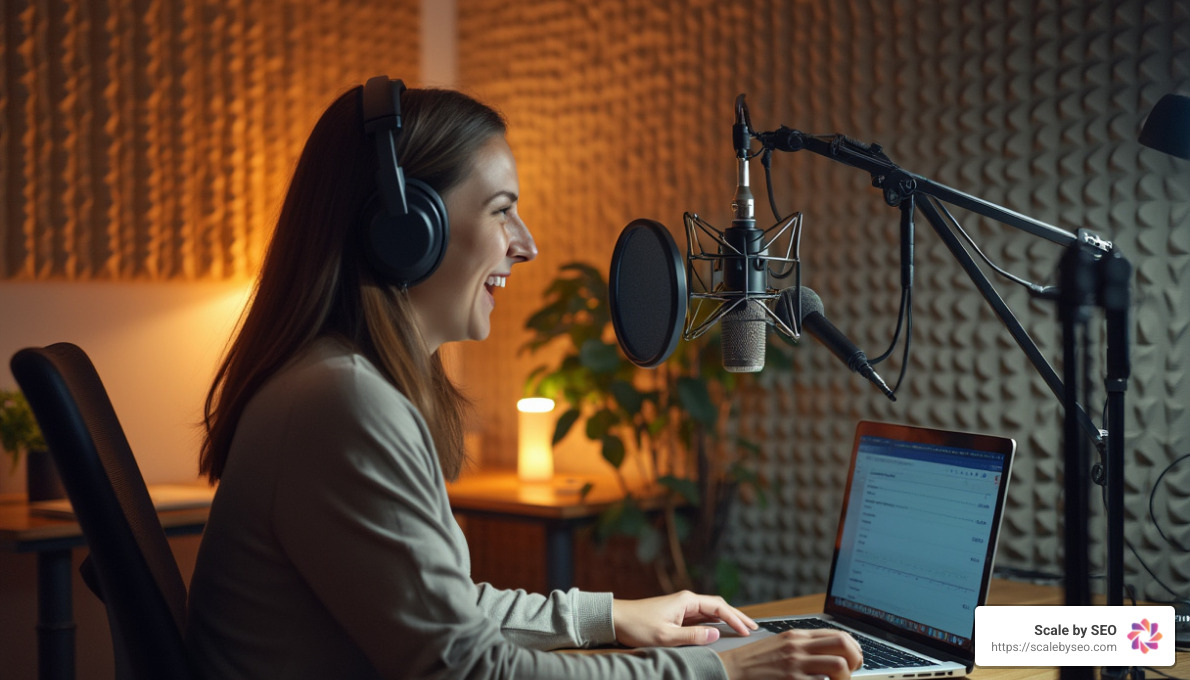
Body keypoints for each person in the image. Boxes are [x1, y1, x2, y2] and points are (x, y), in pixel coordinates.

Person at [185, 76, 863, 680]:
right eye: (500, 208)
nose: (527, 242)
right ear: (405, 229)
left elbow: (441, 609)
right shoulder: (341, 400)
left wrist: (609, 616)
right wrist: (723, 668)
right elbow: (469, 666)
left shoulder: (333, 385)